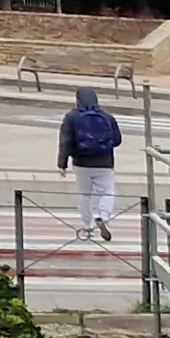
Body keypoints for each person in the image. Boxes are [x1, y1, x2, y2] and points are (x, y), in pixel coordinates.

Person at [56, 88, 122, 241]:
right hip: (104, 163)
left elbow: (65, 142)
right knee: (106, 191)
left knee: (84, 194)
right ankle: (103, 216)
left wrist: (62, 164)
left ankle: (87, 225)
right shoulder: (107, 116)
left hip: (81, 163)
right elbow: (117, 140)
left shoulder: (71, 117)